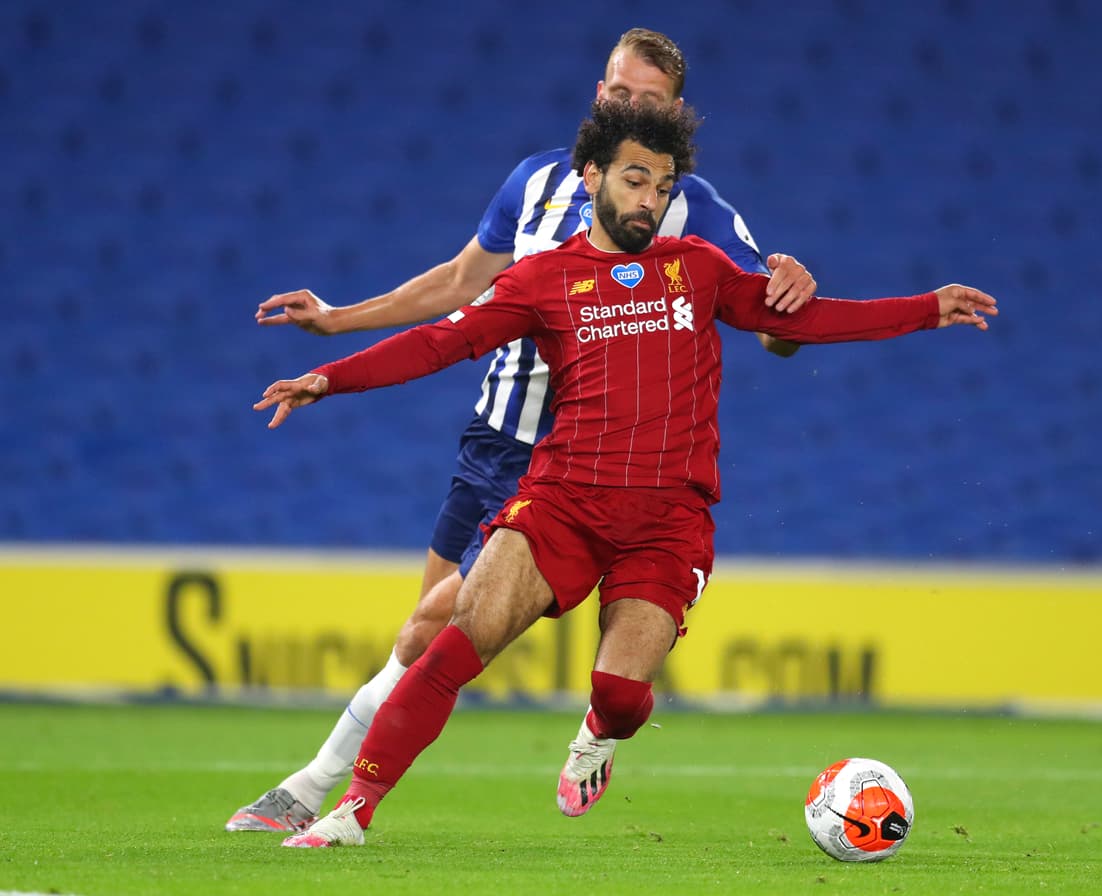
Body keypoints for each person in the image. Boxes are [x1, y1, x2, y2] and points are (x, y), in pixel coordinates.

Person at [251, 97, 998, 847]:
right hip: (561, 504)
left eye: (663, 186)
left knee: (619, 695)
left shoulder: (697, 268)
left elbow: (797, 321)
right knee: (458, 641)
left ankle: (598, 735)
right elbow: (440, 343)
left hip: (667, 521)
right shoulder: (543, 278)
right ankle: (353, 810)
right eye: (636, 180)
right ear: (592, 177)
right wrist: (328, 378)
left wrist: (924, 308)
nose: (650, 199)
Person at [225, 28, 816, 834]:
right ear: (599, 94)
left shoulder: (693, 207)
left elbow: (775, 329)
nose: (630, 108)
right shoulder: (535, 179)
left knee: (436, 627)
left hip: (590, 461)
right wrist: (338, 321)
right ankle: (324, 792)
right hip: (495, 442)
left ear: (676, 113)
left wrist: (789, 288)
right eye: (619, 93)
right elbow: (461, 283)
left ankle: (313, 789)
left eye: (650, 101)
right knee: (424, 632)